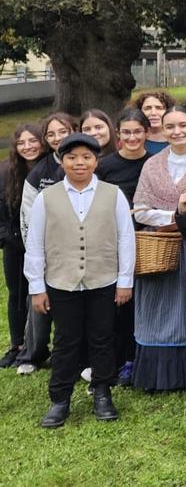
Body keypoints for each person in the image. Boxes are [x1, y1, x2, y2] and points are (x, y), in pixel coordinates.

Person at [24, 133, 134, 428]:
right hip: (62, 281)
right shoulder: (47, 198)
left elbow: (126, 239)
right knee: (65, 341)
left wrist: (124, 281)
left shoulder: (113, 194)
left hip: (103, 279)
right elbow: (35, 244)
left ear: (96, 161)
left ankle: (102, 392)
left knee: (102, 338)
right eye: (72, 158)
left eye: (86, 157)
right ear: (62, 161)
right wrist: (37, 287)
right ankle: (60, 399)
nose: (79, 163)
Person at [131, 106, 186, 391]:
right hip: (162, 246)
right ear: (162, 131)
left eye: (182, 125)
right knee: (161, 306)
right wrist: (172, 217)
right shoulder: (153, 164)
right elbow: (140, 209)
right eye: (170, 127)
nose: (177, 132)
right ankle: (160, 373)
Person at [14, 112, 77, 375]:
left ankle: (77, 355)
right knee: (39, 302)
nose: (57, 138)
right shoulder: (41, 171)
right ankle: (33, 353)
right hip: (48, 249)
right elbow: (27, 214)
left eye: (62, 131)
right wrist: (35, 251)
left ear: (73, 130)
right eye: (51, 134)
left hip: (82, 248)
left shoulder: (89, 160)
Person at [96, 109, 151, 385]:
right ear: (118, 134)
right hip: (113, 241)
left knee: (140, 302)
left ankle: (134, 357)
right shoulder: (105, 166)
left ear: (147, 133)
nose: (132, 137)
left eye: (137, 131)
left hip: (148, 241)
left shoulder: (154, 164)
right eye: (126, 132)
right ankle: (113, 359)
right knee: (116, 302)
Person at [0, 125, 42, 368]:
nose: (28, 147)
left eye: (33, 141)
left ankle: (35, 345)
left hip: (44, 243)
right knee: (17, 294)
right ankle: (17, 344)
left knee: (37, 296)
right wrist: (7, 237)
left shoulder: (50, 168)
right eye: (22, 142)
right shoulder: (6, 172)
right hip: (16, 243)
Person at [133, 90, 176, 155]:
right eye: (148, 108)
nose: (153, 113)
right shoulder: (131, 140)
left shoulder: (178, 138)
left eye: (159, 108)